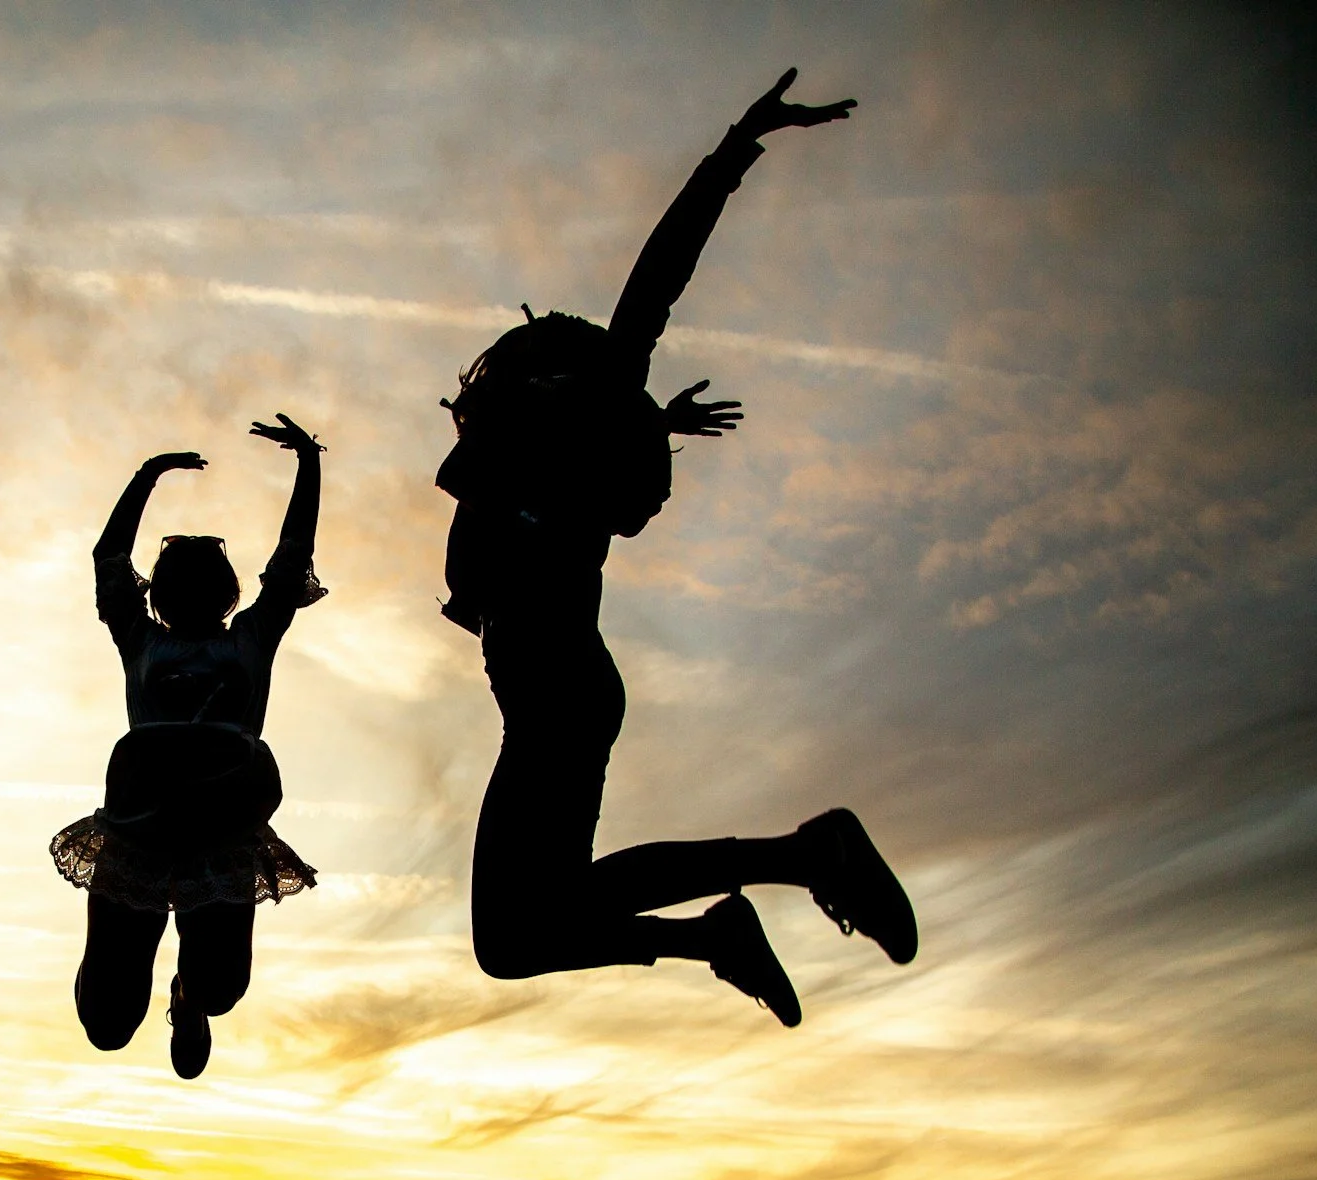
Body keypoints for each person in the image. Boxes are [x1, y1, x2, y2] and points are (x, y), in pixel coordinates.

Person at [438, 70, 914, 1027]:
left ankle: (796, 861)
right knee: (515, 938)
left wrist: (739, 144)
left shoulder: (561, 426)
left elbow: (656, 279)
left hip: (560, 693)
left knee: (515, 934)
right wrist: (648, 417)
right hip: (558, 695)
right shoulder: (519, 465)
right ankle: (731, 923)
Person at [52, 416, 326, 1079]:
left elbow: (291, 559)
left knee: (219, 991)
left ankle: (186, 996)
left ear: (228, 591)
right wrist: (147, 475)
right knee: (108, 1025)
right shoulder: (142, 641)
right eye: (178, 573)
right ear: (162, 590)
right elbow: (109, 562)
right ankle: (121, 967)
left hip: (222, 831)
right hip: (141, 829)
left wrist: (310, 464)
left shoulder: (251, 640)